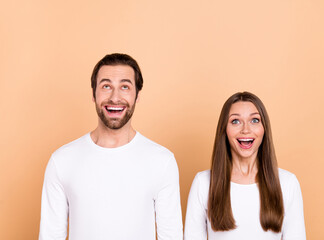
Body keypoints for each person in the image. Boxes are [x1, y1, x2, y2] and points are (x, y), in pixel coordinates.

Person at [39, 53, 183, 240]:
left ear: (137, 95)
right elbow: (50, 235)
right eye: (106, 86)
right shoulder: (62, 161)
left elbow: (171, 236)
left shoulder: (162, 161)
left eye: (125, 87)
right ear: (93, 94)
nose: (115, 97)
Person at [184, 92, 306, 240]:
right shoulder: (203, 183)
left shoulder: (288, 183)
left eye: (254, 120)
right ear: (224, 130)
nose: (246, 130)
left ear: (264, 129)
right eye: (235, 121)